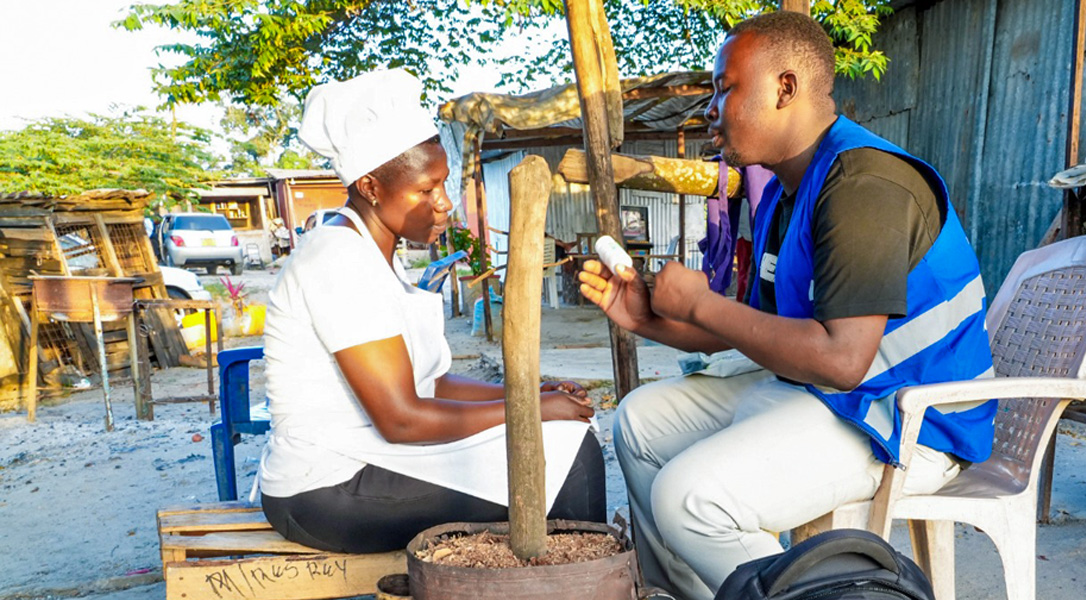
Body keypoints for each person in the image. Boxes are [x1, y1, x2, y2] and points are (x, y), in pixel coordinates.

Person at [579, 12, 994, 600]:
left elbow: (842, 359)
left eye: (725, 89)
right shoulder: (782, 191)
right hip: (830, 394)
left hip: (908, 418)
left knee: (692, 497)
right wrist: (648, 319)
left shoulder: (864, 183)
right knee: (639, 421)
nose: (710, 109)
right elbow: (756, 330)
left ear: (785, 88)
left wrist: (700, 306)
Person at [259, 68, 604, 554]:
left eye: (443, 184)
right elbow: (401, 419)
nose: (444, 205)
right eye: (425, 190)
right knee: (572, 455)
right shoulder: (337, 259)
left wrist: (529, 394)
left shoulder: (378, 254)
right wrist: (533, 412)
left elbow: (433, 385)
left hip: (369, 458)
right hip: (326, 487)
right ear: (371, 187)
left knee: (563, 436)